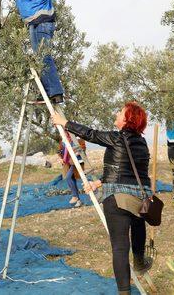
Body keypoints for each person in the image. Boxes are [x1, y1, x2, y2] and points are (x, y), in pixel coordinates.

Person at [52, 102, 153, 295]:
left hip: (117, 198)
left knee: (120, 248)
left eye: (120, 112)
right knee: (138, 227)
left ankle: (124, 292)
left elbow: (91, 134)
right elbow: (127, 171)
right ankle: (139, 260)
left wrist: (64, 122)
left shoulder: (116, 138)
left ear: (127, 119)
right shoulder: (141, 143)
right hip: (140, 198)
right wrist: (98, 183)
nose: (116, 113)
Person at [0, 0, 64, 104]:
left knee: (43, 56)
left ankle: (55, 92)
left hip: (42, 21)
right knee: (39, 56)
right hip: (34, 22)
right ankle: (46, 92)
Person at [58, 133, 86, 207]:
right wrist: (61, 158)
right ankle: (79, 201)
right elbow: (60, 151)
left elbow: (82, 148)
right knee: (72, 179)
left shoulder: (78, 139)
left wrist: (76, 153)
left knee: (68, 177)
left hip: (77, 162)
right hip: (68, 163)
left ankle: (75, 196)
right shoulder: (63, 141)